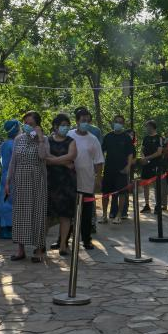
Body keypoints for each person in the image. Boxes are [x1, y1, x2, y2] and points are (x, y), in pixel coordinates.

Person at [9, 111, 53, 262]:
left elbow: (43, 156)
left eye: (31, 124)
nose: (27, 126)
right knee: (20, 214)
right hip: (20, 180)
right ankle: (20, 250)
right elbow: (13, 161)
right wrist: (8, 181)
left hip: (37, 180)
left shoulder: (44, 140)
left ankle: (39, 250)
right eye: (25, 123)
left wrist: (40, 138)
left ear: (37, 126)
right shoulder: (18, 139)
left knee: (37, 213)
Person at [69, 107, 104, 250]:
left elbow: (99, 161)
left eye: (88, 121)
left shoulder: (93, 139)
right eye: (83, 120)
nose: (85, 123)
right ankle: (63, 240)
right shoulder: (69, 135)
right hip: (70, 181)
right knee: (68, 213)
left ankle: (87, 239)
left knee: (86, 213)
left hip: (87, 181)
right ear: (77, 121)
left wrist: (98, 179)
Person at [47, 113, 78, 255]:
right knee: (47, 215)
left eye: (67, 125)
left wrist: (53, 160)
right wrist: (64, 163)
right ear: (55, 126)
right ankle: (41, 244)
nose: (65, 128)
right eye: (62, 125)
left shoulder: (71, 141)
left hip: (67, 183)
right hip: (50, 181)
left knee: (65, 215)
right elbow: (44, 157)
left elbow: (72, 156)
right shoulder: (47, 141)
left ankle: (63, 244)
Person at [101, 114, 135, 224]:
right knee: (105, 193)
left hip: (122, 170)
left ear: (123, 124)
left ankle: (119, 215)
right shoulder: (108, 136)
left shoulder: (126, 137)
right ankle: (104, 215)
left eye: (120, 122)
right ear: (113, 122)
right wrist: (100, 166)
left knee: (122, 193)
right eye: (116, 121)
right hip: (108, 170)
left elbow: (130, 153)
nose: (118, 124)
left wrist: (128, 166)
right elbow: (101, 151)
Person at [0, 120, 19, 239]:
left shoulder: (4, 144)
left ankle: (3, 226)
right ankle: (7, 229)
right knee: (9, 202)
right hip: (12, 176)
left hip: (4, 175)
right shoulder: (14, 144)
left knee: (3, 200)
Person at [137, 120, 163, 213]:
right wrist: (143, 158)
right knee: (145, 184)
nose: (146, 128)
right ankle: (147, 205)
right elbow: (142, 150)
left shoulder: (159, 138)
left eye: (147, 126)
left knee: (156, 185)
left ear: (152, 127)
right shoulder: (146, 138)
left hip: (155, 164)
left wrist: (147, 158)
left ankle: (158, 205)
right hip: (146, 165)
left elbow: (159, 152)